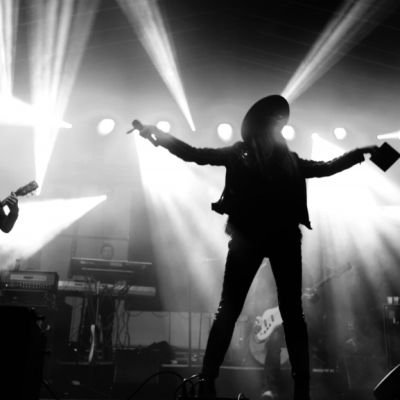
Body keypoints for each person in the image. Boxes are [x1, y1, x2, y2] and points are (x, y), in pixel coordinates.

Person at [134, 95, 377, 400]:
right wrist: (158, 136)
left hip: (271, 239)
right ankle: (219, 381)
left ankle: (266, 386)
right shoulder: (246, 155)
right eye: (274, 126)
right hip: (259, 238)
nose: (276, 132)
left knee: (268, 312)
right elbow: (195, 154)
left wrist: (358, 155)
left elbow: (325, 168)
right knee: (255, 311)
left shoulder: (282, 160)